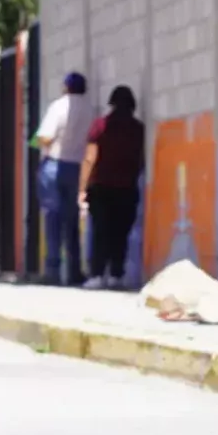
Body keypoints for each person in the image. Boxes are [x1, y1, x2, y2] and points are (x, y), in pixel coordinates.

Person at [78, 84, 145, 290]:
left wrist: (82, 188)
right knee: (120, 233)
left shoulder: (100, 125)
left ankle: (97, 274)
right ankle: (117, 274)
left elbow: (90, 158)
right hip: (127, 188)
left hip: (102, 187)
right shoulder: (138, 128)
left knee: (100, 232)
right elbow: (140, 159)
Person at [32, 71, 92, 286]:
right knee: (72, 220)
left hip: (54, 164)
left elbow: (44, 137)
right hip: (76, 166)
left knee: (52, 219)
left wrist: (38, 142)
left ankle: (53, 270)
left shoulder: (58, 106)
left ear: (66, 86)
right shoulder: (90, 109)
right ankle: (75, 270)